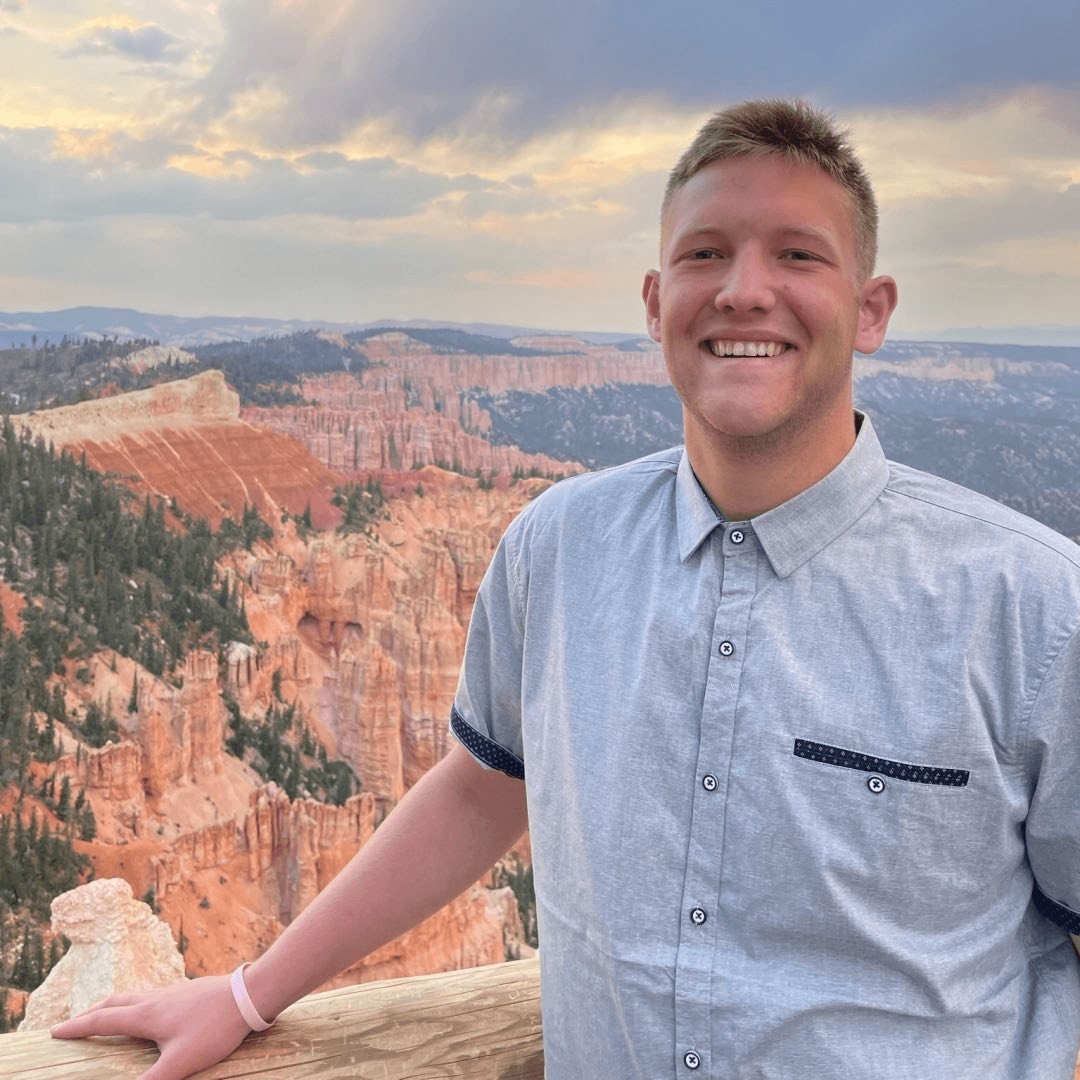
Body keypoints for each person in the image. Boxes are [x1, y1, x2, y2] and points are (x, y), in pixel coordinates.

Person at [53, 99, 1080, 1079]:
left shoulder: (1030, 609)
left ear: (872, 310)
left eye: (798, 254)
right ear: (655, 303)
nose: (744, 290)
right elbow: (479, 790)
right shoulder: (557, 547)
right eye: (706, 253)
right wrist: (247, 995)